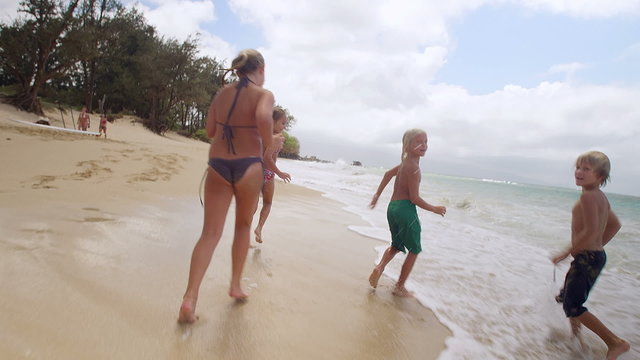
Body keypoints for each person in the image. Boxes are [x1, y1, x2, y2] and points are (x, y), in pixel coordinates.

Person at [178, 49, 274, 324]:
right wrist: (266, 145)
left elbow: (209, 131)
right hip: (248, 166)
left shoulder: (221, 94)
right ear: (261, 69)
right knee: (242, 226)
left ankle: (189, 298)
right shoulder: (263, 95)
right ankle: (235, 285)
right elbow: (264, 117)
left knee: (209, 233)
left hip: (218, 165)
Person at [551, 151, 630, 359]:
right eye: (578, 167)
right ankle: (576, 340)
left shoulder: (588, 197)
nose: (579, 171)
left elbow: (591, 230)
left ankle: (615, 343)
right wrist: (597, 245)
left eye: (586, 169)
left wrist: (566, 252)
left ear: (600, 177)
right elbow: (615, 225)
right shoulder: (600, 197)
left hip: (587, 258)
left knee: (574, 305)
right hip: (594, 256)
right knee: (567, 298)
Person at [368, 129, 446, 297]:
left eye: (425, 141)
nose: (423, 145)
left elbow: (387, 174)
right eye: (418, 142)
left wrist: (377, 196)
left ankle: (379, 267)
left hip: (392, 208)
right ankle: (400, 286)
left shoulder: (404, 164)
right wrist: (435, 208)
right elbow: (414, 198)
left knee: (396, 245)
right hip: (405, 211)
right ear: (407, 146)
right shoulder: (414, 169)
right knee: (414, 249)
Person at [254, 107, 292, 244]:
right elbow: (268, 158)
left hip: (256, 171)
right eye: (282, 123)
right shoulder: (276, 139)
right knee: (268, 202)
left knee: (253, 206)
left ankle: (245, 235)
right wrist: (280, 173)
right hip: (267, 172)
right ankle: (258, 228)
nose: (284, 126)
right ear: (273, 122)